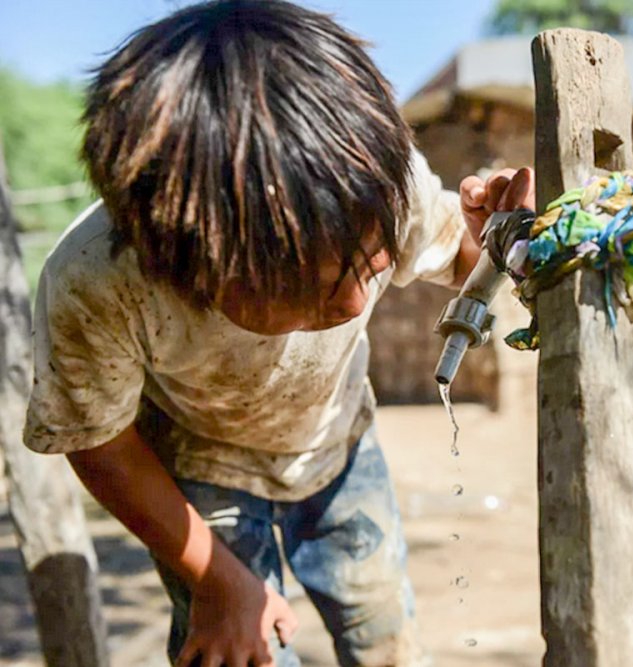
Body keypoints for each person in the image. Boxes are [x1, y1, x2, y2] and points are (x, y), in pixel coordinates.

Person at [22, 2, 534, 666]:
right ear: (193, 266)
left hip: (339, 444)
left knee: (389, 642)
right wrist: (213, 578)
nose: (354, 305)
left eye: (371, 267)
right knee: (241, 647)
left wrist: (496, 241)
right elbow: (100, 442)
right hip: (197, 472)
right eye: (307, 288)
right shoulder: (102, 280)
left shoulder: (378, 183)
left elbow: (462, 265)